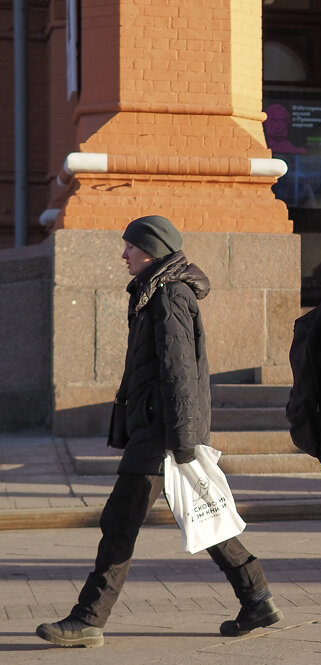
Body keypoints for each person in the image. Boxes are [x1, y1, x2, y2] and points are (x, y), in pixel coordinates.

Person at [36, 215, 280, 648]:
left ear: (152, 249)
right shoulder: (156, 292)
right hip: (160, 427)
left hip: (163, 431)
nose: (123, 254)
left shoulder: (168, 294)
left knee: (121, 522)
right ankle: (256, 596)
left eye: (130, 246)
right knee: (201, 512)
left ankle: (88, 619)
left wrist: (183, 439)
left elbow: (181, 370)